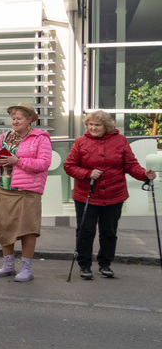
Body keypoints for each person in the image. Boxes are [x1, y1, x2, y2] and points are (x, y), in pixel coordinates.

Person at [63, 110, 156, 279]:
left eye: (97, 125)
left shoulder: (120, 141)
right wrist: (87, 173)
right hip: (87, 195)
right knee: (85, 232)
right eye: (90, 124)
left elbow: (131, 165)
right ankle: (85, 265)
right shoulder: (80, 142)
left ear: (106, 126)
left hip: (114, 195)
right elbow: (69, 166)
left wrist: (144, 174)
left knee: (109, 232)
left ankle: (105, 264)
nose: (93, 128)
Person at [0, 103, 52, 282]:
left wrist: (17, 160)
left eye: (19, 118)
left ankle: (26, 268)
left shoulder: (40, 138)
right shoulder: (5, 136)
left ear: (30, 120)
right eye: (13, 118)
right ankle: (8, 265)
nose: (15, 121)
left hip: (27, 191)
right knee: (4, 227)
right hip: (3, 188)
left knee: (27, 229)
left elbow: (44, 164)